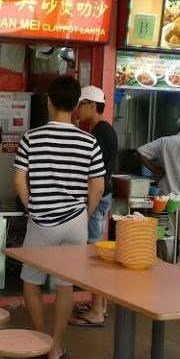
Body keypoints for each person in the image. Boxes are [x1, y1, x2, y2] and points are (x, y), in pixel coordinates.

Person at [13, 75, 105, 359]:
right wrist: (83, 214)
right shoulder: (89, 141)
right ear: (77, 104)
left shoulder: (32, 138)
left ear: (49, 101)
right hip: (75, 222)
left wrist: (33, 207)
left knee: (31, 280)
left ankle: (42, 341)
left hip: (41, 222)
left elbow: (18, 181)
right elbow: (98, 186)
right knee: (66, 284)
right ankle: (55, 344)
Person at [70, 85, 118, 327]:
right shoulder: (103, 130)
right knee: (94, 254)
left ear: (90, 105)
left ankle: (97, 310)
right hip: (99, 198)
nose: (76, 110)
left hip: (96, 199)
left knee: (93, 256)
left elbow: (94, 178)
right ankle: (100, 304)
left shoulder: (100, 133)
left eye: (80, 104)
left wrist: (88, 207)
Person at [138, 114, 180, 269]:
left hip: (164, 197)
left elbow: (140, 151)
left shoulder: (164, 142)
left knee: (165, 234)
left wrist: (155, 169)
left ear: (179, 127)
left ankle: (166, 268)